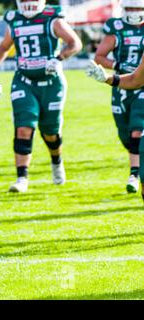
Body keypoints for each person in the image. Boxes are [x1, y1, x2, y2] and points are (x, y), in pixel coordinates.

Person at [0, 0, 82, 192]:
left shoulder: (52, 19)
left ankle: (56, 161)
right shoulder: (15, 20)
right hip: (24, 80)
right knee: (23, 127)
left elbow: (75, 43)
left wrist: (58, 58)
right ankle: (22, 178)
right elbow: (5, 46)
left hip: (51, 82)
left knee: (50, 131)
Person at [86, 2, 144, 201]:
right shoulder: (116, 27)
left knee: (138, 128)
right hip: (124, 85)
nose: (135, 14)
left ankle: (134, 174)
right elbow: (101, 57)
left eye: (139, 9)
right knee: (128, 135)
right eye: (131, 9)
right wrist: (112, 74)